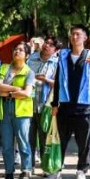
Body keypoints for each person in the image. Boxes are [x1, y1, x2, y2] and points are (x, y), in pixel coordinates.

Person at [48, 24, 90, 179]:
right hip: (65, 106)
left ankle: (81, 171)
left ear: (85, 37)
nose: (74, 37)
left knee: (85, 142)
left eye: (78, 34)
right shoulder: (63, 56)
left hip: (85, 106)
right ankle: (56, 170)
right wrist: (55, 103)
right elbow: (58, 81)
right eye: (72, 34)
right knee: (61, 140)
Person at [0, 41, 35, 179]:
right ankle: (8, 174)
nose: (16, 52)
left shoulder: (29, 72)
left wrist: (8, 92)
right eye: (15, 50)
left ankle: (26, 172)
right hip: (5, 109)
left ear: (27, 55)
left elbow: (27, 93)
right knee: (6, 144)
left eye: (20, 50)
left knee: (23, 142)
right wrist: (16, 88)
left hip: (22, 112)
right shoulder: (5, 67)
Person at [27, 36, 59, 171]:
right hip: (29, 103)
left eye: (51, 45)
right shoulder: (31, 58)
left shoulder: (57, 63)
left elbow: (59, 85)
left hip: (46, 105)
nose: (47, 46)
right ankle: (28, 166)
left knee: (44, 136)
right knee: (28, 136)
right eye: (46, 42)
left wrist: (46, 79)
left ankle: (46, 167)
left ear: (55, 50)